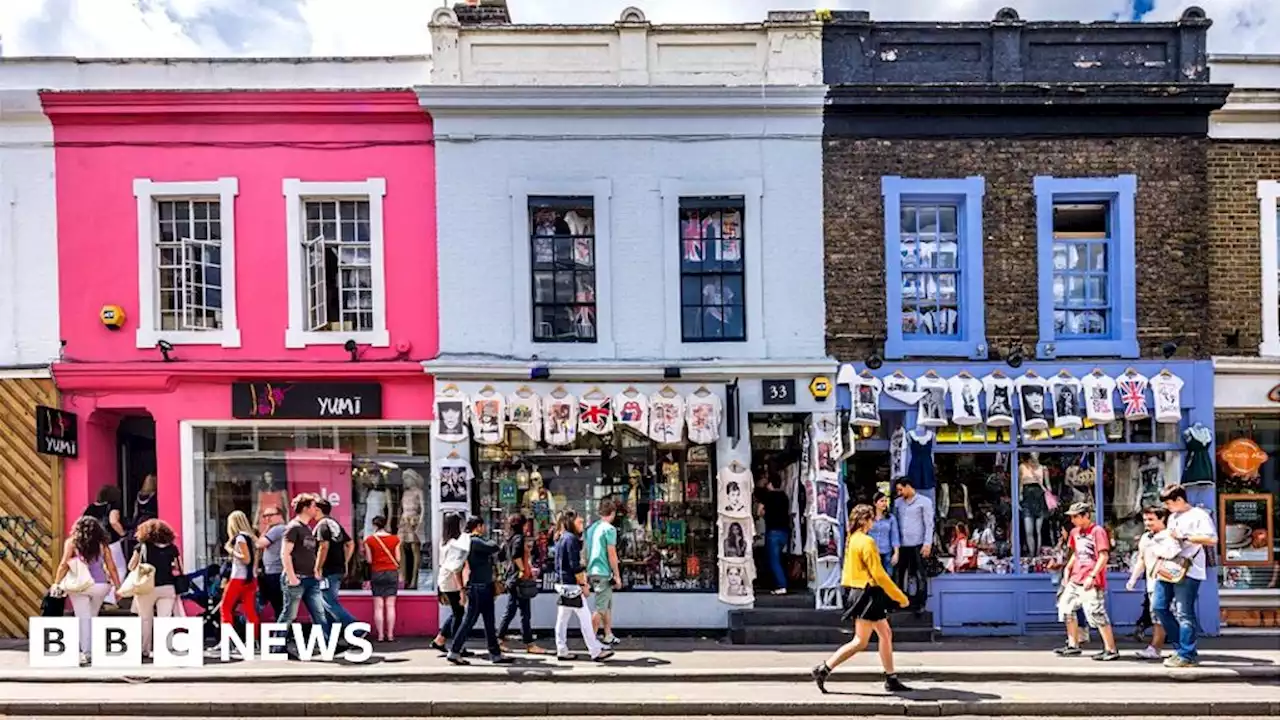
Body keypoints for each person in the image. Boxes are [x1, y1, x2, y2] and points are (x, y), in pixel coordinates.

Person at [811, 503, 910, 693]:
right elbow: (879, 574)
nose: (873, 522)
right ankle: (824, 669)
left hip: (859, 592)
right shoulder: (866, 541)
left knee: (885, 634)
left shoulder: (852, 539)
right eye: (871, 518)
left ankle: (891, 677)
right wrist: (899, 596)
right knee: (860, 641)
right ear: (865, 520)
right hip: (868, 593)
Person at [1157, 484, 1218, 668]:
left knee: (1184, 612)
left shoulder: (1199, 515)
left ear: (1179, 500)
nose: (1167, 507)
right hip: (1170, 565)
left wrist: (1184, 537)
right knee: (1159, 606)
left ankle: (1187, 654)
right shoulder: (1173, 517)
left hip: (1190, 569)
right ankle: (1181, 647)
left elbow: (1212, 539)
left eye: (1169, 503)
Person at [1054, 502, 1119, 661]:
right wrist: (1068, 569)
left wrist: (1093, 575)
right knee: (1066, 608)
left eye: (1076, 516)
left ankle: (1111, 649)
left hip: (1090, 578)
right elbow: (1076, 553)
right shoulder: (1075, 532)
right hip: (1076, 577)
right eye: (1072, 517)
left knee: (1096, 612)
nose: (1073, 520)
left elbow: (1103, 556)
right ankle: (1073, 644)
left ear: (1086, 515)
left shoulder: (1097, 531)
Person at [53, 517, 120, 664]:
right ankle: (94, 648)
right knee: (92, 616)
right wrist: (117, 587)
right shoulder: (102, 545)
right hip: (100, 586)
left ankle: (86, 652)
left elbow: (64, 565)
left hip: (79, 585)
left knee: (83, 618)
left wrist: (56, 583)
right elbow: (112, 567)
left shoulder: (71, 543)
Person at [447, 515, 510, 665]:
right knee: (469, 621)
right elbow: (493, 546)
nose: (485, 529)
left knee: (489, 621)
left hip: (483, 586)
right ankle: (454, 651)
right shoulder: (474, 541)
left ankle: (495, 654)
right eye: (483, 526)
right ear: (478, 526)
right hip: (478, 588)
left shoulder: (473, 541)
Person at [552, 509, 613, 662]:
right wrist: (584, 585)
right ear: (571, 522)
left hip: (562, 584)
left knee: (562, 619)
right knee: (585, 619)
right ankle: (595, 651)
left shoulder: (560, 538)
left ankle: (562, 649)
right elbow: (575, 566)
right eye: (579, 522)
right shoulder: (571, 539)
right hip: (572, 586)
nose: (582, 525)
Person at [279, 493, 330, 656]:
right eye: (314, 506)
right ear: (306, 508)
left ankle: (327, 644)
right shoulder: (293, 527)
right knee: (289, 614)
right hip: (297, 578)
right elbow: (285, 553)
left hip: (310, 578)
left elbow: (309, 552)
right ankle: (276, 647)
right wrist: (292, 577)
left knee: (319, 613)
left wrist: (316, 571)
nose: (316, 509)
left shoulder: (307, 528)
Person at [1127, 506, 1177, 660]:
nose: (1147, 523)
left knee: (1165, 615)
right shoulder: (1145, 538)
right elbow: (1142, 559)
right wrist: (1133, 579)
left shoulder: (1169, 536)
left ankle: (1161, 647)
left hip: (1169, 581)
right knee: (1157, 615)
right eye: (1145, 520)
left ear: (1162, 519)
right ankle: (1164, 648)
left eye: (1151, 520)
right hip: (1152, 582)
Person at [129, 518, 181, 658]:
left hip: (147, 587)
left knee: (145, 619)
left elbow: (131, 566)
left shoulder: (142, 546)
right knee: (164, 618)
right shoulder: (172, 548)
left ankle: (144, 650)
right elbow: (178, 568)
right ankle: (164, 649)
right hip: (167, 587)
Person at [497, 514, 547, 654]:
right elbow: (516, 556)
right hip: (519, 580)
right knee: (524, 613)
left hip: (512, 580)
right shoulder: (519, 538)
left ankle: (499, 639)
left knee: (512, 611)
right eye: (525, 524)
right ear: (522, 525)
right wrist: (523, 569)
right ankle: (529, 644)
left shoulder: (508, 539)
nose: (527, 527)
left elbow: (501, 557)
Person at [314, 498, 357, 634]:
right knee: (326, 603)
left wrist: (318, 567)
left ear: (317, 509)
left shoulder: (322, 525)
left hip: (328, 570)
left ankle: (355, 629)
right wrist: (344, 561)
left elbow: (323, 546)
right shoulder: (334, 523)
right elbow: (350, 543)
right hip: (337, 569)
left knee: (329, 602)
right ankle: (330, 635)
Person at [892, 478, 934, 613]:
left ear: (908, 486)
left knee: (919, 574)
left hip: (918, 544)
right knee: (899, 574)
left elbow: (929, 524)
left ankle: (920, 603)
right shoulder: (898, 503)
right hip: (902, 544)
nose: (899, 492)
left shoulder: (924, 502)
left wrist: (927, 543)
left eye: (901, 489)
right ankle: (900, 601)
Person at [585, 499, 623, 645]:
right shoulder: (609, 529)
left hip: (592, 569)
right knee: (600, 607)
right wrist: (617, 575)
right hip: (603, 571)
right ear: (612, 513)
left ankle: (608, 634)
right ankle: (591, 641)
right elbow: (612, 554)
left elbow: (586, 551)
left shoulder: (592, 528)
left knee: (606, 604)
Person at [430, 512, 469, 653]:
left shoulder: (444, 542)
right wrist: (462, 589)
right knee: (459, 613)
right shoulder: (455, 544)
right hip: (451, 581)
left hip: (444, 579)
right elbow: (456, 569)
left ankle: (440, 640)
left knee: (456, 612)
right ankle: (457, 646)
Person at [83, 486, 127, 606]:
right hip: (110, 541)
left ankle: (100, 596)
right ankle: (111, 597)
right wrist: (123, 533)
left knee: (100, 570)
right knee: (119, 568)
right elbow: (113, 521)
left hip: (93, 543)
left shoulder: (90, 507)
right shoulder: (112, 506)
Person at [362, 515, 401, 643]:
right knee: (390, 605)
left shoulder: (369, 540)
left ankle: (380, 636)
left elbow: (369, 560)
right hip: (391, 572)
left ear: (374, 525)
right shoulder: (395, 539)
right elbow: (398, 558)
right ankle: (390, 635)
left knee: (378, 606)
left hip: (377, 572)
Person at [220, 510, 260, 635]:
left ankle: (228, 640)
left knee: (225, 607)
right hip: (251, 578)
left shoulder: (240, 538)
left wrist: (230, 550)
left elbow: (246, 559)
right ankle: (254, 640)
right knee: (250, 611)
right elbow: (255, 561)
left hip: (238, 578)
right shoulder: (253, 538)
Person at [757, 475, 791, 595]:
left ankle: (782, 585)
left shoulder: (768, 496)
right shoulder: (785, 497)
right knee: (780, 559)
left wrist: (765, 512)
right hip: (785, 532)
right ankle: (781, 583)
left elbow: (759, 511)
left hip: (773, 532)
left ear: (770, 484)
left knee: (774, 560)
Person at [255, 504, 287, 620]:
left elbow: (259, 544)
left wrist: (267, 529)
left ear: (280, 516)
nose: (267, 518)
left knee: (278, 605)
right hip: (273, 572)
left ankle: (283, 633)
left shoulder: (277, 529)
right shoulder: (276, 529)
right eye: (265, 516)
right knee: (278, 605)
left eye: (270, 515)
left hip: (275, 573)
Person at [868, 492, 901, 575]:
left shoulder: (890, 518)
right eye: (881, 501)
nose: (884, 503)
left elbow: (895, 536)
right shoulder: (869, 518)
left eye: (886, 501)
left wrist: (896, 553)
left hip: (887, 552)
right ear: (875, 503)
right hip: (872, 552)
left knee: (887, 577)